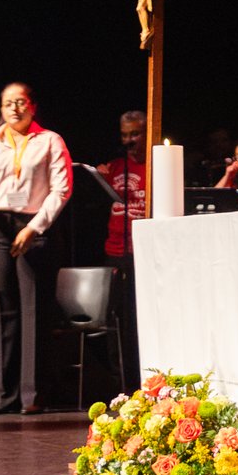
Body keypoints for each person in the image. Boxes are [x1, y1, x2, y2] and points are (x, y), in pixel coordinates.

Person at [0, 82, 73, 415]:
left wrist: (35, 228)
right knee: (2, 308)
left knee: (34, 309)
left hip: (37, 224)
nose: (14, 109)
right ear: (1, 108)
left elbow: (61, 190)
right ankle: (3, 395)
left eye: (21, 102)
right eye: (8, 103)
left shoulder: (50, 140)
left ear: (32, 106)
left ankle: (32, 395)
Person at [96, 109, 147, 386]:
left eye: (135, 134)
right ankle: (119, 381)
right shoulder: (115, 167)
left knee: (137, 318)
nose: (129, 140)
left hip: (142, 254)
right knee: (113, 318)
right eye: (125, 135)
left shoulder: (155, 166)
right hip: (114, 251)